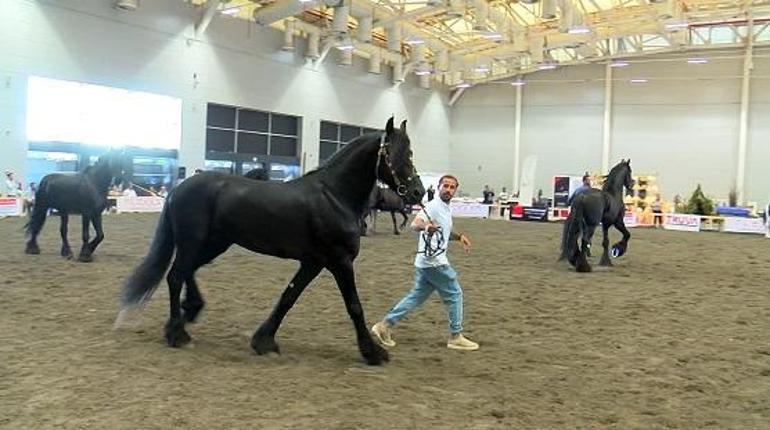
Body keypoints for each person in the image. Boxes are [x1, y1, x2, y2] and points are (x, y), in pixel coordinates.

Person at [371, 174, 479, 351]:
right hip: (434, 262)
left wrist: (459, 237)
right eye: (445, 186)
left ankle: (384, 326)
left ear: (455, 190)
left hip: (424, 263)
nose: (448, 190)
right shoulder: (434, 206)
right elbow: (415, 224)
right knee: (455, 294)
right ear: (438, 187)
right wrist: (426, 227)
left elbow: (443, 231)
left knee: (415, 297)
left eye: (452, 187)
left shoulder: (445, 208)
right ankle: (455, 336)